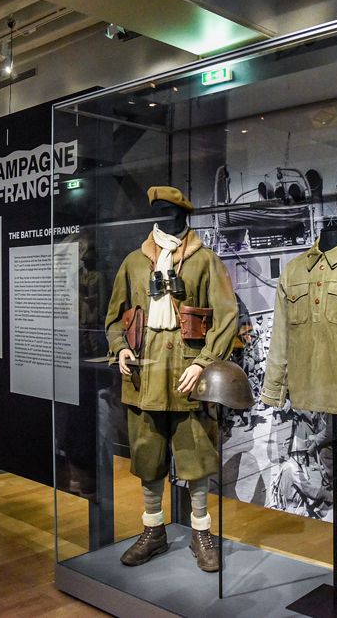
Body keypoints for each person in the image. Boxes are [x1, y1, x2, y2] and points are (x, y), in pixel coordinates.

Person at [104, 186, 239, 573]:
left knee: (196, 458)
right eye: (159, 211)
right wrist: (120, 348)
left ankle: (201, 532)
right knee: (147, 457)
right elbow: (114, 318)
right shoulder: (134, 262)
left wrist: (205, 363)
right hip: (143, 376)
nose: (165, 218)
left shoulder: (205, 261)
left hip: (187, 377)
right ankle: (153, 531)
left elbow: (227, 316)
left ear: (183, 215)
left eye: (171, 212)